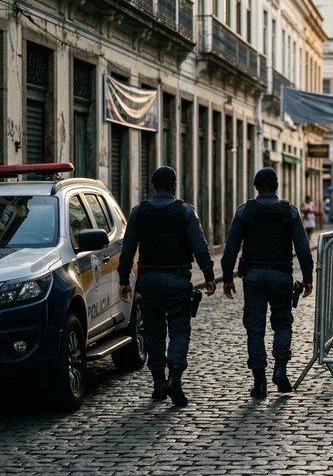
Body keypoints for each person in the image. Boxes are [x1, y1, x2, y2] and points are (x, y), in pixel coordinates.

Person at [118, 166, 217, 407]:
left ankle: (158, 384)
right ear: (174, 185)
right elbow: (199, 246)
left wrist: (123, 280)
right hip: (177, 280)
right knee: (179, 330)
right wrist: (209, 275)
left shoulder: (138, 212)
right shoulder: (184, 212)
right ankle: (174, 378)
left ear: (153, 186)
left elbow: (128, 248)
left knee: (154, 331)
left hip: (149, 282)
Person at [221, 168, 313, 398]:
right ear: (277, 185)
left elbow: (231, 247)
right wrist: (309, 277)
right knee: (282, 323)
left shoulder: (244, 211)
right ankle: (280, 369)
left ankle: (259, 382)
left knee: (255, 328)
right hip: (281, 276)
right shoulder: (289, 211)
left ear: (256, 187)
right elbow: (303, 247)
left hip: (253, 277)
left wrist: (227, 276)